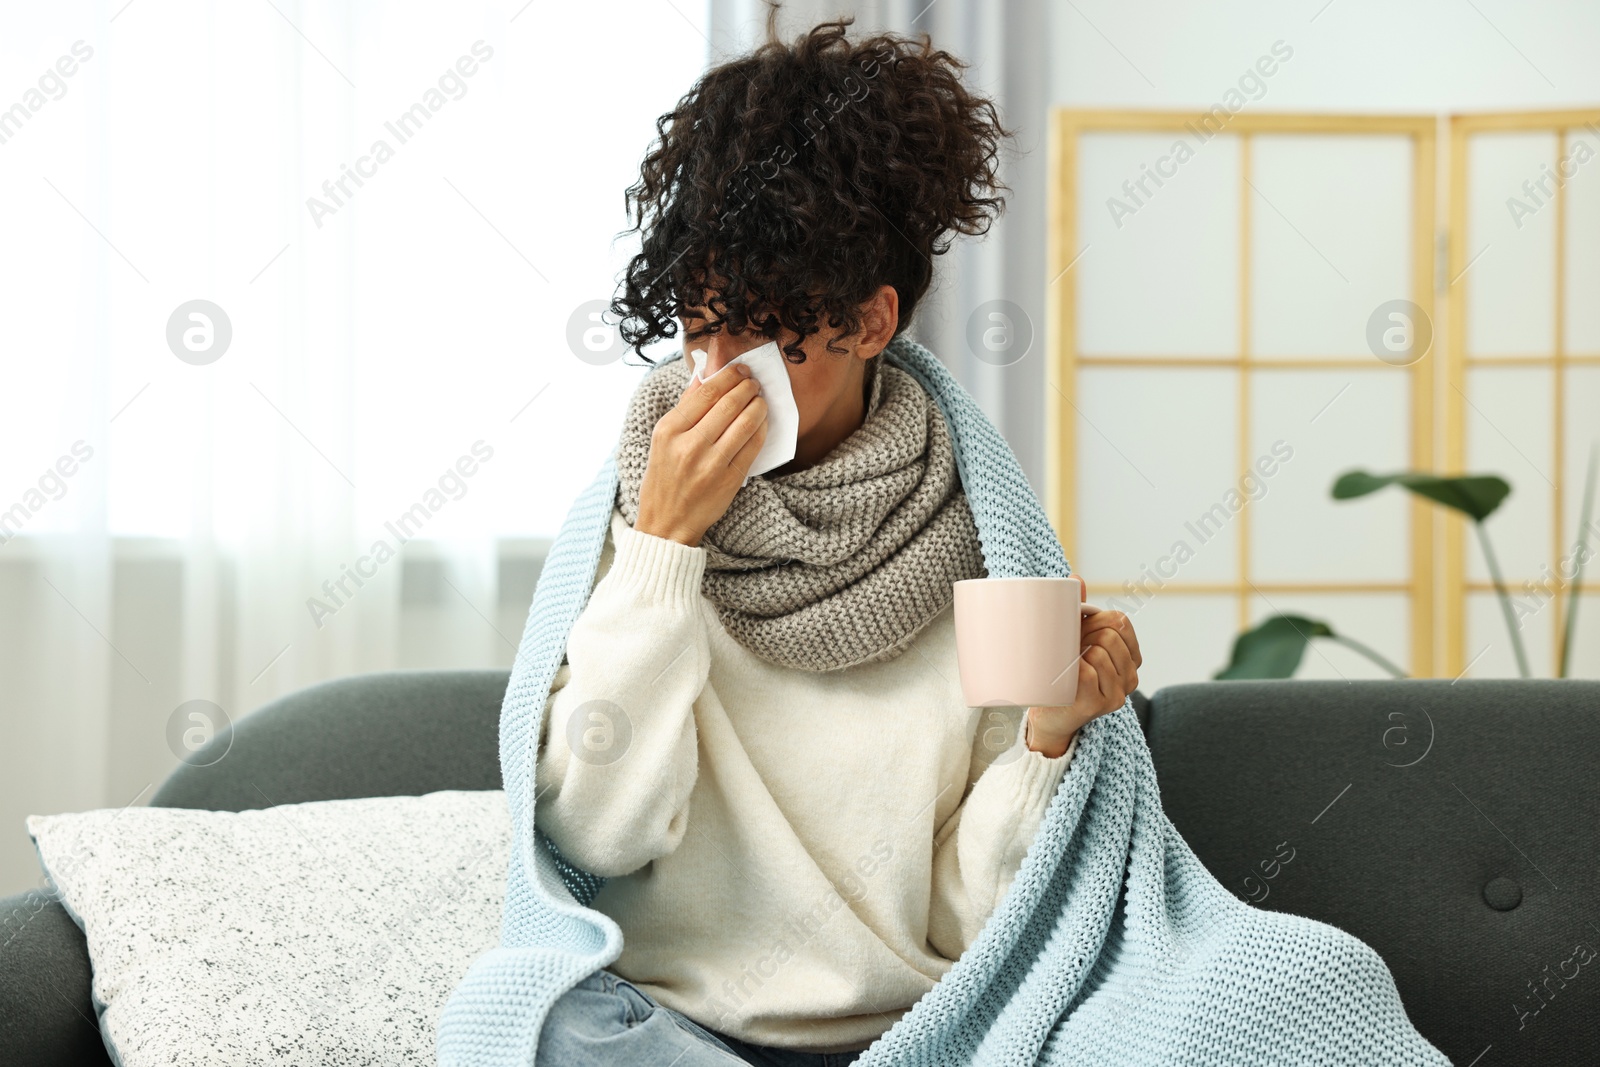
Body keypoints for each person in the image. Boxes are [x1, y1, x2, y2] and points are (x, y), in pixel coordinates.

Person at [533, 9, 1142, 1066]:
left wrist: (1047, 735)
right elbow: (596, 836)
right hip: (668, 1025)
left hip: (919, 1029)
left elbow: (969, 919)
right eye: (697, 330)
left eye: (768, 338)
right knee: (545, 1030)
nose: (719, 380)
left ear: (869, 322)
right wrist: (666, 547)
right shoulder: (637, 522)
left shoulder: (981, 547)